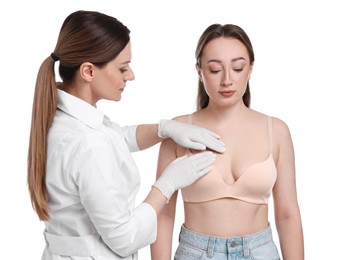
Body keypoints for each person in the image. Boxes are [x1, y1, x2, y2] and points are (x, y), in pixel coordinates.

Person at [27, 11, 227, 260]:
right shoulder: (88, 143)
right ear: (88, 71)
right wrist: (166, 185)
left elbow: (117, 137)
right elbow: (124, 238)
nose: (130, 75)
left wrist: (162, 128)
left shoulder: (67, 119)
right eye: (122, 68)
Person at [150, 23, 304, 260]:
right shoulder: (179, 131)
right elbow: (164, 214)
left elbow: (287, 214)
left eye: (238, 67)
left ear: (250, 69)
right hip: (196, 253)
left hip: (260, 252)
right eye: (214, 70)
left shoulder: (277, 130)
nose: (227, 80)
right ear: (199, 71)